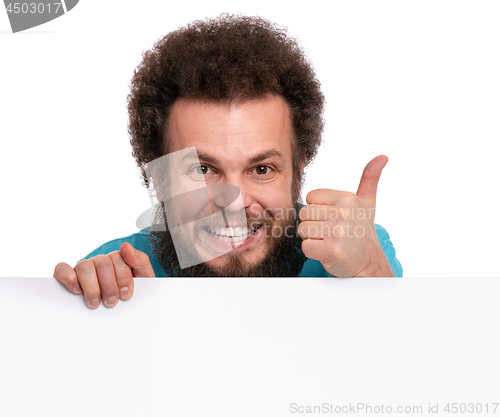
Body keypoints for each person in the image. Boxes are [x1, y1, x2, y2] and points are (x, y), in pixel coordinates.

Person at [53, 14, 403, 309]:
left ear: (298, 170)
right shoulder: (120, 271)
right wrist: (131, 323)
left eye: (262, 169)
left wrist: (371, 278)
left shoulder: (356, 248)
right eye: (202, 169)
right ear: (158, 178)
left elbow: (405, 378)